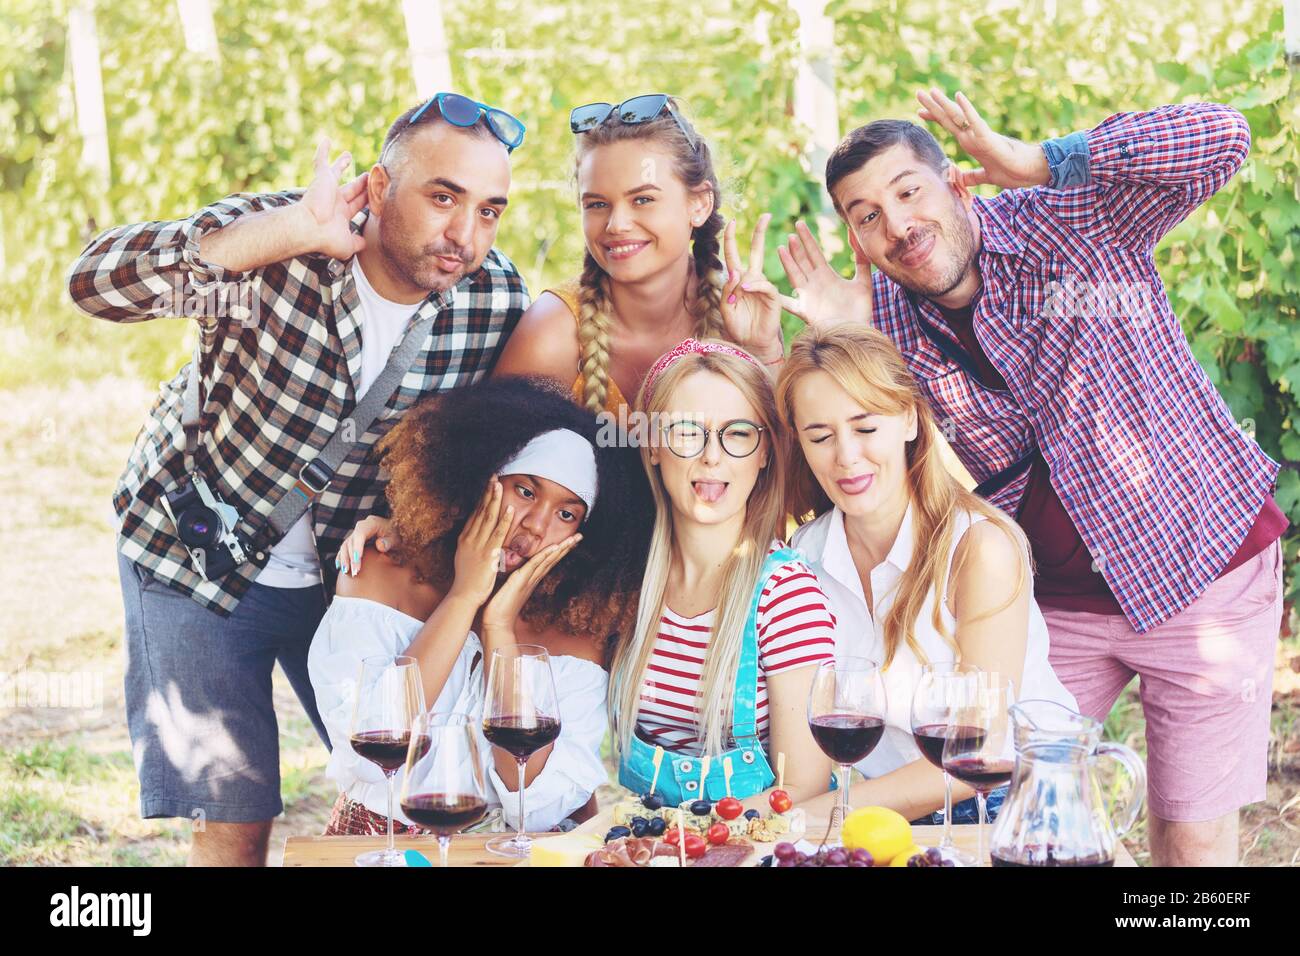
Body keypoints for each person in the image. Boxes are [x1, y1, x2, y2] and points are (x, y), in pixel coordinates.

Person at [779, 89, 1285, 865]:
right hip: (1063, 597)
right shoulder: (880, 315)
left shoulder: (1069, 218)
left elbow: (1224, 136)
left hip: (1201, 567)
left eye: (908, 191)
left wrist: (1047, 159)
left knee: (1187, 838)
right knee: (1023, 811)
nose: (897, 224)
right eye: (866, 214)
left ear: (954, 181)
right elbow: (834, 420)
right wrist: (846, 335)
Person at [66, 92, 530, 865]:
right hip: (191, 556)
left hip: (340, 577)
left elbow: (495, 451)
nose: (464, 234)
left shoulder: (491, 302)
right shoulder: (280, 243)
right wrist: (281, 232)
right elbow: (96, 287)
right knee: (235, 810)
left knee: (402, 787)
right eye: (443, 197)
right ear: (379, 188)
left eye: (489, 211)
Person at [309, 377, 653, 834]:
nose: (534, 525)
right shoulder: (378, 572)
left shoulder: (579, 634)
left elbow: (539, 803)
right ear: (477, 480)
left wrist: (498, 629)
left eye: (566, 513)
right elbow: (371, 758)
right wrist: (464, 596)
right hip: (379, 845)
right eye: (525, 491)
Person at [775, 323, 1078, 824]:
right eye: (820, 435)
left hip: (1011, 801)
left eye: (866, 427)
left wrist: (812, 817)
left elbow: (974, 755)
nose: (846, 456)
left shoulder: (979, 549)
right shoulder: (805, 554)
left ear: (911, 419)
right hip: (882, 811)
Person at [608, 338, 837, 808]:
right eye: (687, 431)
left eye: (737, 434)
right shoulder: (627, 580)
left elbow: (805, 786)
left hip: (752, 846)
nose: (712, 456)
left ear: (765, 453)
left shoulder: (785, 593)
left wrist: (688, 843)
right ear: (654, 446)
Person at [492, 93, 786, 415]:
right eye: (597, 205)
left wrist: (763, 350)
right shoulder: (552, 331)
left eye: (643, 200)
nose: (616, 225)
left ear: (699, 203)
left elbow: (787, 458)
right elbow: (495, 459)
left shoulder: (739, 315)